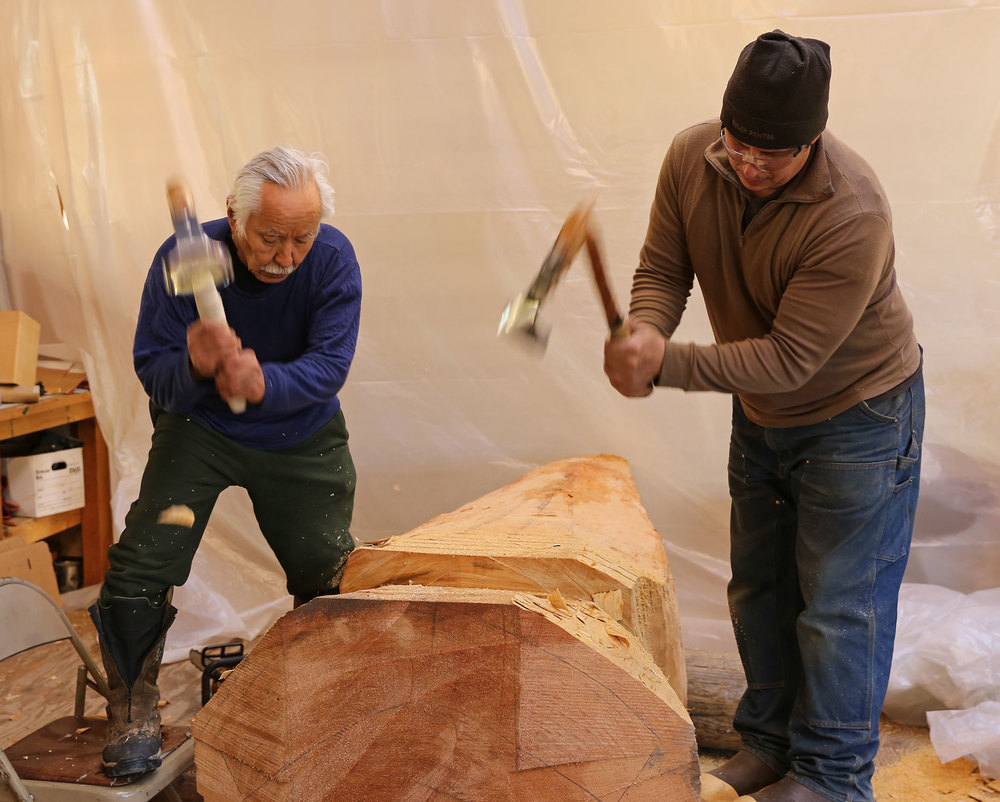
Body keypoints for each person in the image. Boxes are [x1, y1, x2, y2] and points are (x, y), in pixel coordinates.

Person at [604, 31, 924, 802]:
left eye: (770, 156)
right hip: (763, 415)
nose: (748, 165)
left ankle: (833, 778)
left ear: (811, 141)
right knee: (760, 589)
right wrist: (647, 327)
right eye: (738, 143)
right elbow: (662, 269)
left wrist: (666, 365)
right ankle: (771, 748)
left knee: (839, 606)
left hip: (859, 416)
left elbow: (789, 360)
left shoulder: (854, 211)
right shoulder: (692, 157)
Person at [89, 146, 362, 778]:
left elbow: (329, 367)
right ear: (233, 218)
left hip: (300, 429)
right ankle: (133, 709)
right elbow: (156, 374)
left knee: (328, 569)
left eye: (302, 237)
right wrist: (195, 364)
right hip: (202, 427)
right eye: (270, 238)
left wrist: (264, 382)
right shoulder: (181, 258)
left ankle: (327, 705)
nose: (286, 257)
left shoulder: (332, 259)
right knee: (141, 564)